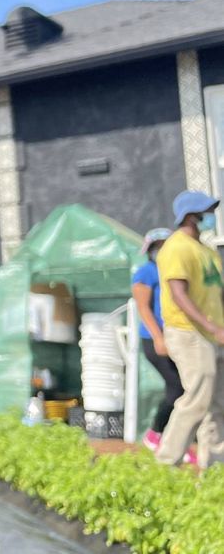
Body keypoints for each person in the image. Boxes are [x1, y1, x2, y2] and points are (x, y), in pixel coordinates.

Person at [154, 190, 224, 467]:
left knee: (217, 402)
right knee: (196, 399)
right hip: (189, 333)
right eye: (206, 212)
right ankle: (166, 462)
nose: (211, 216)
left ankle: (214, 466)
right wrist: (212, 328)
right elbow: (179, 295)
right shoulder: (176, 247)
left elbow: (216, 294)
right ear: (191, 217)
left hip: (213, 334)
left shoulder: (206, 250)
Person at [132, 227, 183, 451]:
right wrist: (158, 337)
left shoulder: (175, 270)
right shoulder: (146, 272)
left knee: (188, 390)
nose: (161, 250)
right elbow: (143, 308)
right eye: (157, 247)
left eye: (165, 245)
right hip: (156, 340)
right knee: (177, 388)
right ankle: (155, 433)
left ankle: (176, 441)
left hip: (178, 336)